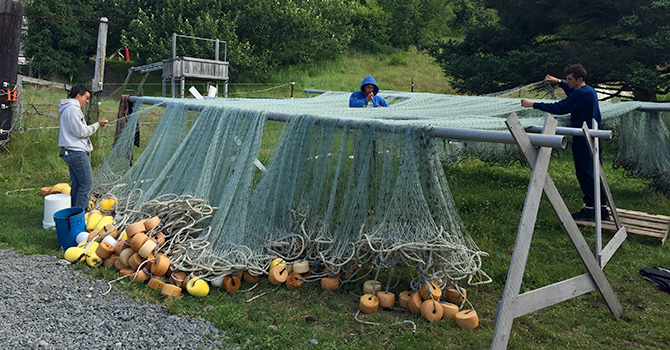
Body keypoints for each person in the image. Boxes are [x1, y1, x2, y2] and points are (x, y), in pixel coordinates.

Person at [520, 64, 608, 221]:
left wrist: (533, 104)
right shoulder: (587, 91)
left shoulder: (583, 94)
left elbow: (561, 107)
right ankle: (601, 208)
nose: (568, 83)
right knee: (594, 171)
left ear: (580, 79)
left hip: (585, 138)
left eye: (570, 79)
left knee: (585, 172)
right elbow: (572, 93)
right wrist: (558, 81)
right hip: (593, 136)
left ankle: (591, 209)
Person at [58, 85, 108, 209]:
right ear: (78, 95)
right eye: (86, 97)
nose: (87, 101)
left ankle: (73, 212)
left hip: (70, 152)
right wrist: (98, 124)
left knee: (77, 184)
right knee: (86, 185)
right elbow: (81, 132)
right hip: (76, 153)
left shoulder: (68, 109)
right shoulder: (73, 109)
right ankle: (79, 215)